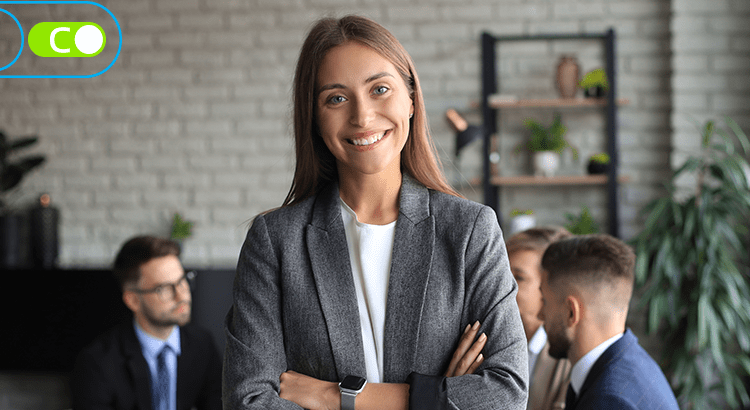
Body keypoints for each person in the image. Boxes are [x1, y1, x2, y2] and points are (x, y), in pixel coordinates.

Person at [223, 15, 528, 410]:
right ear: (314, 119)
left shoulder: (470, 230)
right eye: (336, 98)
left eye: (380, 89)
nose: (362, 116)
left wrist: (337, 396)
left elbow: (507, 394)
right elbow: (248, 401)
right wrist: (434, 397)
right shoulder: (276, 241)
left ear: (412, 99)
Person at [71, 235, 222, 410]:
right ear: (133, 300)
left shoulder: (202, 344)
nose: (181, 296)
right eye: (164, 288)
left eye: (182, 280)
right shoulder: (97, 362)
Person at [538, 234, 679, 410]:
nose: (540, 314)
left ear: (571, 312)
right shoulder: (634, 363)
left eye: (544, 301)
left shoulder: (609, 400)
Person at [506, 227, 572, 410]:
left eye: (519, 277)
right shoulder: (486, 342)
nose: (503, 286)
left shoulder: (571, 359)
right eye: (502, 274)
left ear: (551, 286)